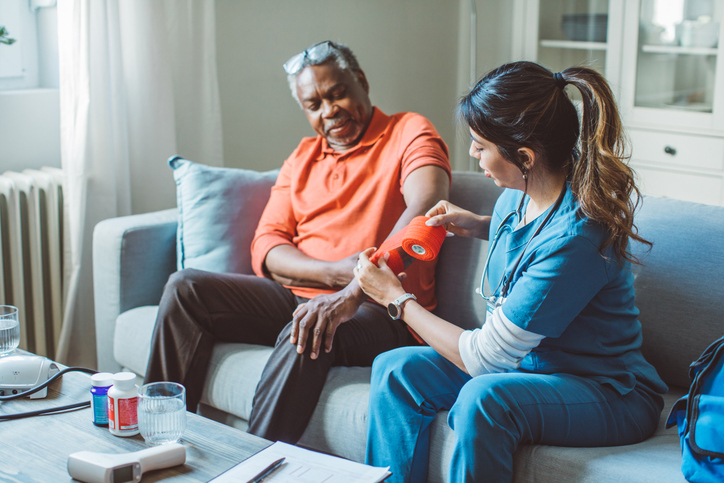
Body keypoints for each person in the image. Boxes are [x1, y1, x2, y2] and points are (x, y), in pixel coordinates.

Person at [354, 61, 667, 483]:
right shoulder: (518, 196)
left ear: (524, 156)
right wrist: (478, 225)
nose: (471, 153)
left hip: (608, 392)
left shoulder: (578, 236)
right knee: (395, 370)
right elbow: (534, 246)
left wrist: (396, 299)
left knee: (483, 399)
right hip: (530, 369)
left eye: (481, 145)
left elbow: (484, 358)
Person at [143, 40, 451, 444]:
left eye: (337, 93)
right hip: (302, 295)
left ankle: (250, 466)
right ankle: (159, 442)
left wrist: (355, 289)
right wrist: (334, 273)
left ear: (360, 81)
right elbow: (267, 247)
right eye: (314, 104)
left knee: (309, 324)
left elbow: (427, 207)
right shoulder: (302, 158)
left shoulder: (409, 130)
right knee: (185, 288)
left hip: (383, 310)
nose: (329, 111)